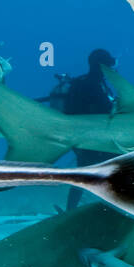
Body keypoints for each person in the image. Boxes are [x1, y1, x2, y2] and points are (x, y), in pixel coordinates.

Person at [36, 48, 118, 209]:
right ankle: (115, 207)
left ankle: (70, 210)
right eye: (110, 63)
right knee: (116, 169)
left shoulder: (81, 82)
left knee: (82, 177)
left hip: (79, 140)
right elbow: (104, 113)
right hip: (93, 141)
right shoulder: (94, 85)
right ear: (104, 65)